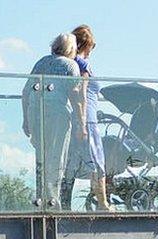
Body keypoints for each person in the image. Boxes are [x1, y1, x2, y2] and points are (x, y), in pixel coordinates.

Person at [21, 33, 82, 208]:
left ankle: (41, 199)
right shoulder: (71, 65)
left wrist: (26, 119)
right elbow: (75, 95)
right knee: (57, 156)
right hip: (57, 113)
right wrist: (80, 121)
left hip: (36, 112)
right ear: (71, 48)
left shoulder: (41, 62)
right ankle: (53, 201)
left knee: (41, 157)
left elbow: (26, 91)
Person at [61, 25, 111, 211]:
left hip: (72, 118)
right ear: (86, 44)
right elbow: (81, 91)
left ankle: (64, 204)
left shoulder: (68, 64)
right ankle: (103, 203)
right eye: (92, 45)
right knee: (97, 159)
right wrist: (83, 122)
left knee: (71, 163)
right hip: (86, 119)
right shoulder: (82, 65)